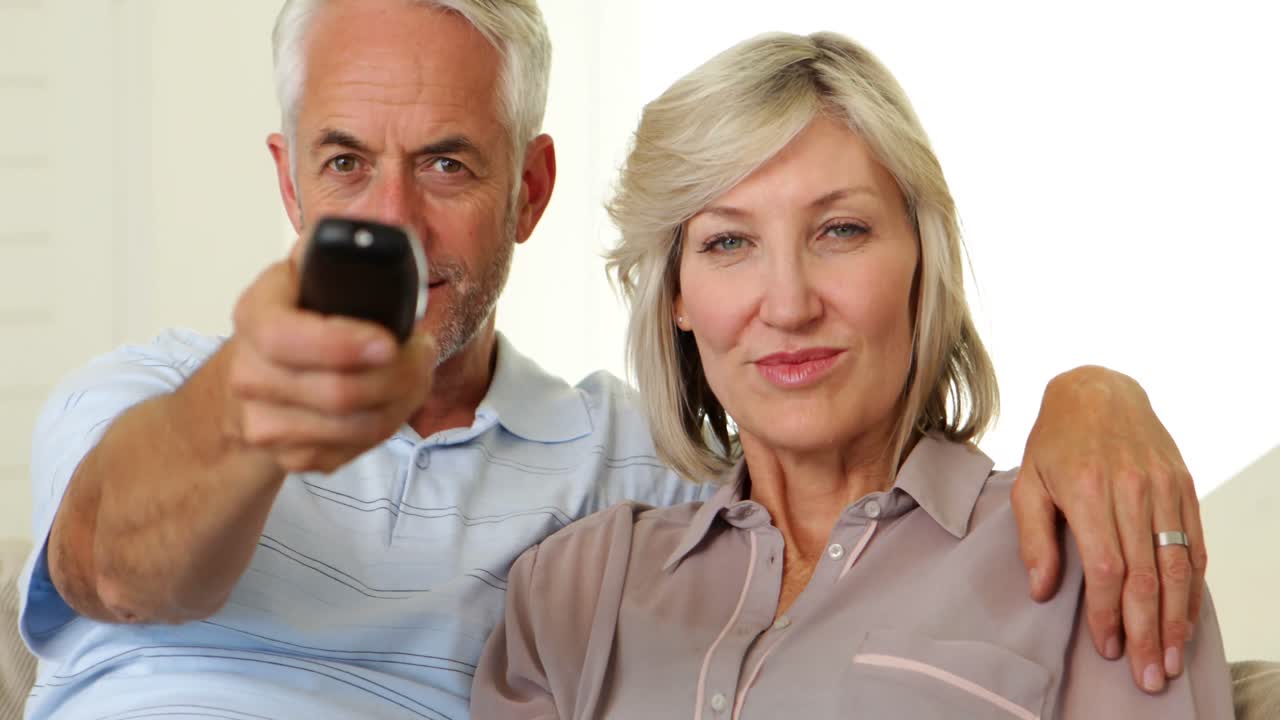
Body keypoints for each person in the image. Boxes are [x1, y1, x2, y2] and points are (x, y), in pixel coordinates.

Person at [16, 1, 1207, 718]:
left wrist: (1092, 394)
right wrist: (249, 414)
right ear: (285, 180)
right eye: (341, 166)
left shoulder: (624, 478)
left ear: (528, 190)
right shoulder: (147, 396)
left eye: (445, 164)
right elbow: (121, 567)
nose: (388, 222)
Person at [471, 30, 1231, 719]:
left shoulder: (1095, 549)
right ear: (677, 297)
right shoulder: (574, 586)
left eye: (841, 230)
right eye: (730, 243)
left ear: (921, 259)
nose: (791, 305)